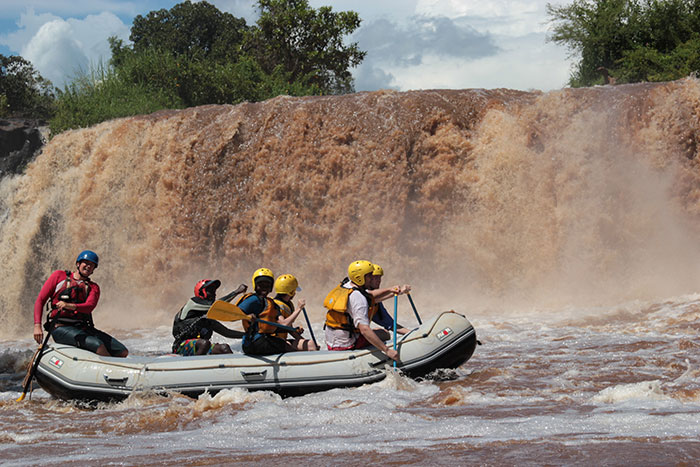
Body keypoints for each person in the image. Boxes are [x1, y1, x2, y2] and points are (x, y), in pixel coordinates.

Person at [33, 250, 128, 357]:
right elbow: (40, 300)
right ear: (78, 264)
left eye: (92, 265)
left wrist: (68, 305)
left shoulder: (93, 287)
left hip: (83, 327)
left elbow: (89, 307)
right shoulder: (59, 276)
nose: (88, 266)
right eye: (86, 263)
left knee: (122, 351)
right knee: (99, 346)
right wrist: (37, 326)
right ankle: (110, 369)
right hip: (60, 328)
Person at [323, 260, 409, 361]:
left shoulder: (347, 285)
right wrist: (387, 351)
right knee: (384, 334)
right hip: (347, 344)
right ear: (360, 278)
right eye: (369, 276)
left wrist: (391, 291)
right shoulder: (358, 298)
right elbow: (364, 330)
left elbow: (371, 296)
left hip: (331, 342)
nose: (372, 278)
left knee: (377, 332)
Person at [172, 279, 248, 356]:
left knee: (224, 348)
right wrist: (236, 292)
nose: (214, 293)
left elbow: (227, 332)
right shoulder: (192, 303)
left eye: (214, 291)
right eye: (210, 290)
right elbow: (217, 305)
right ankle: (197, 366)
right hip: (181, 347)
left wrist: (248, 334)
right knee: (204, 343)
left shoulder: (207, 319)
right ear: (201, 292)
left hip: (202, 347)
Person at [237, 268, 296, 356]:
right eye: (261, 285)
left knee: (286, 344)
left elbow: (280, 324)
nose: (264, 288)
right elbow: (235, 312)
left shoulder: (271, 303)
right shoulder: (253, 299)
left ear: (271, 287)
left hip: (263, 339)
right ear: (255, 285)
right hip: (253, 343)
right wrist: (246, 316)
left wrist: (294, 329)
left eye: (267, 285)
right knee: (288, 347)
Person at [272, 274, 319, 351]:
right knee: (291, 346)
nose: (295, 293)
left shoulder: (288, 304)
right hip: (273, 340)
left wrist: (303, 340)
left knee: (311, 345)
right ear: (290, 292)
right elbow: (284, 324)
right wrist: (299, 308)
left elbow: (289, 328)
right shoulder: (274, 305)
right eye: (294, 291)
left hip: (282, 340)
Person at [366, 264, 411, 337]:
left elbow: (391, 325)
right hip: (351, 339)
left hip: (353, 337)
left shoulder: (375, 304)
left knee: (383, 332)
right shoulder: (359, 295)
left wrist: (412, 333)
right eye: (375, 278)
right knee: (385, 334)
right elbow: (370, 298)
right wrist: (396, 292)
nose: (378, 281)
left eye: (379, 277)